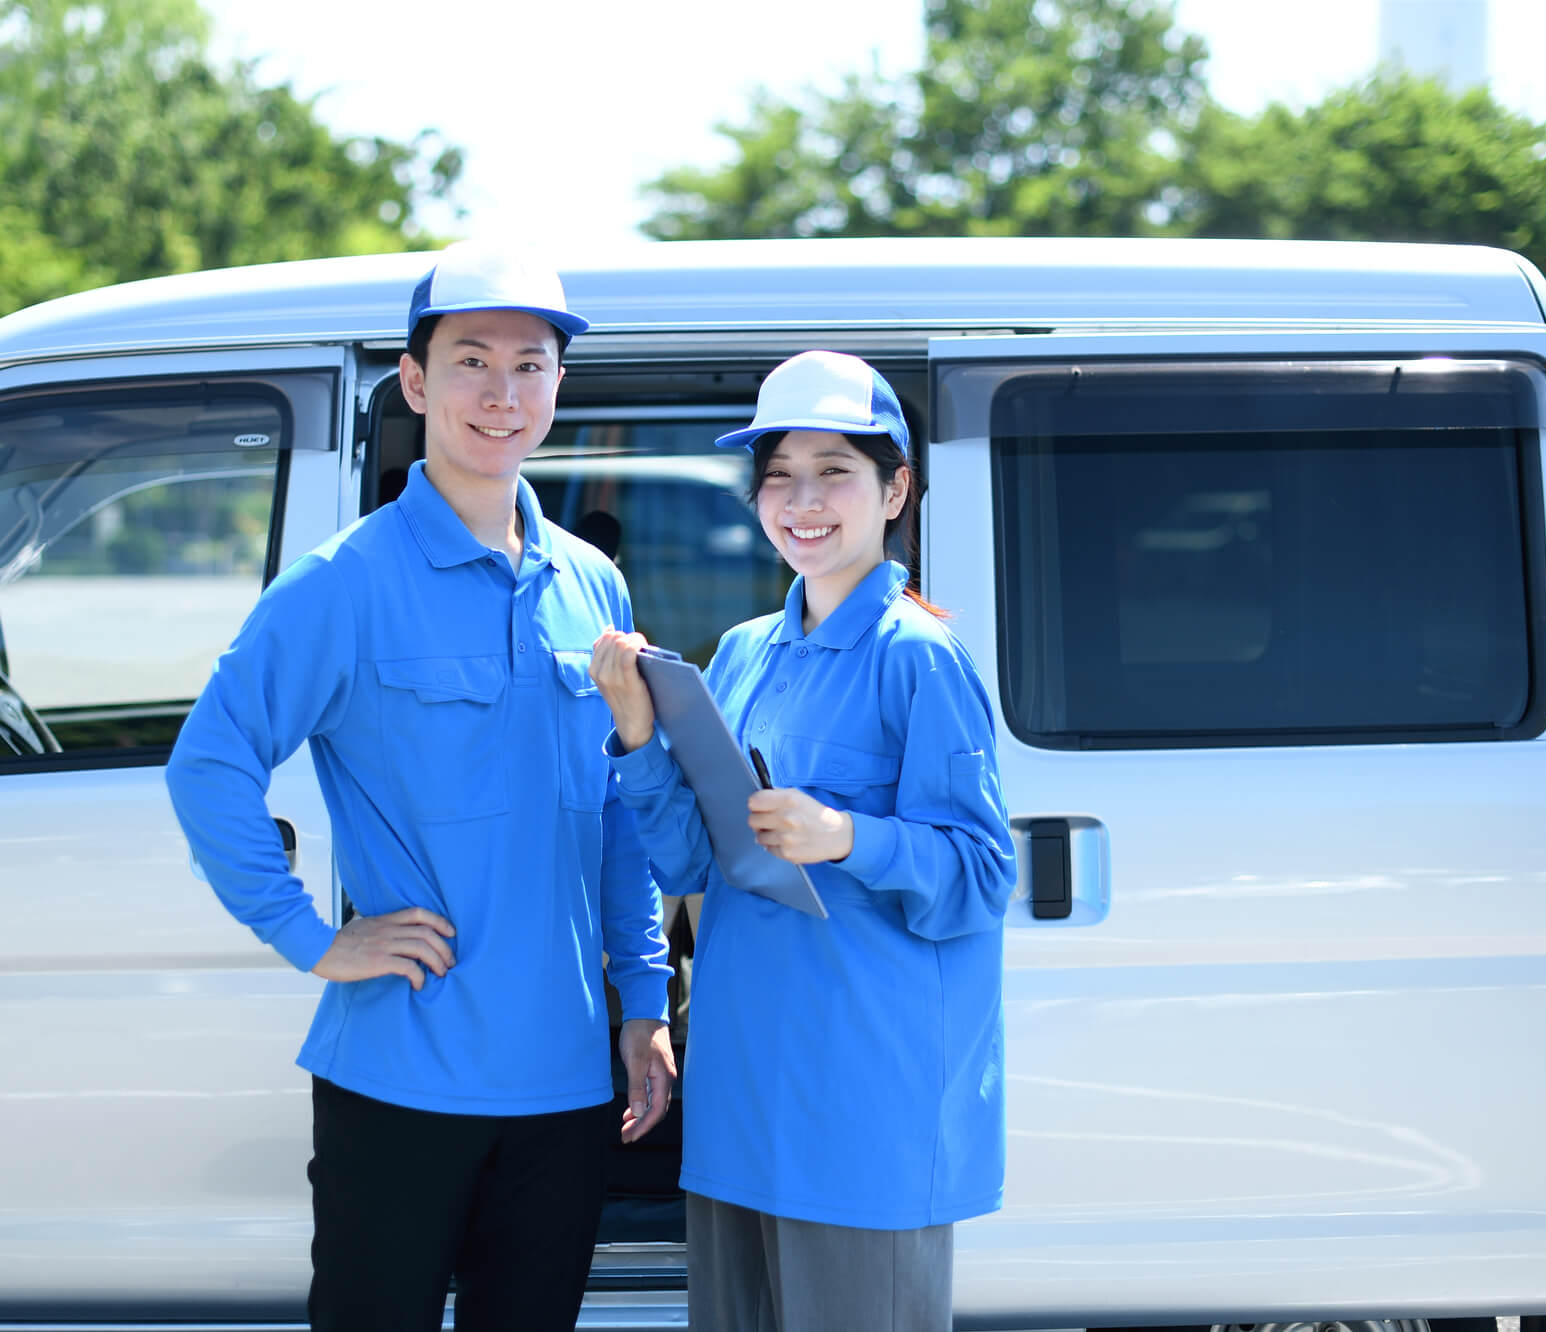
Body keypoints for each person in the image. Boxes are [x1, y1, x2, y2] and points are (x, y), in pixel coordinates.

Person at [165, 243, 676, 1331]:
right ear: (414, 381)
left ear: (557, 387)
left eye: (530, 365)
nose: (502, 394)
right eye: (470, 361)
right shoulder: (344, 582)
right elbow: (208, 761)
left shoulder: (593, 582)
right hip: (400, 1074)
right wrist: (308, 937)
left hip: (563, 1082)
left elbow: (620, 814)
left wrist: (641, 1003)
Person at [589, 350, 1016, 1332]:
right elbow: (692, 863)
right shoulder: (740, 653)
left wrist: (845, 836)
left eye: (835, 471)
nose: (802, 500)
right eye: (779, 475)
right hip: (742, 1097)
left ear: (895, 487)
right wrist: (640, 740)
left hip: (863, 1105)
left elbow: (981, 875)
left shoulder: (918, 657)